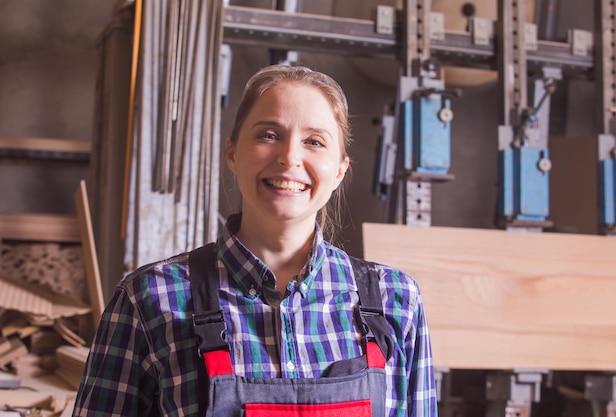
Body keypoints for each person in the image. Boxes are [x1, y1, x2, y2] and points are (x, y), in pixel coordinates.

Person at [73, 64, 438, 417]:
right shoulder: (148, 298)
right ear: (232, 153)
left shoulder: (396, 300)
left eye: (314, 141)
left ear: (340, 170)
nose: (289, 157)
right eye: (268, 134)